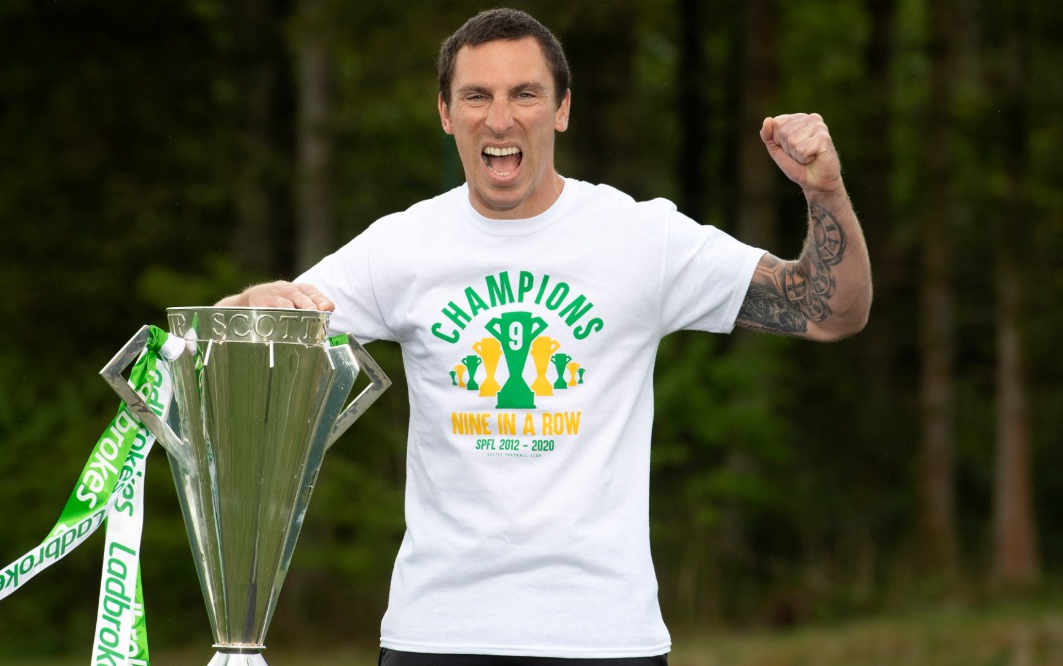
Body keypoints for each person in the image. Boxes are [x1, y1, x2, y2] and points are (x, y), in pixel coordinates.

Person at [218, 8, 871, 665]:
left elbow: (828, 310)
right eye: (477, 95)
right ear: (446, 114)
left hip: (605, 639)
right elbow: (240, 352)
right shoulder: (403, 245)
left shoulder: (640, 238)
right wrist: (249, 304)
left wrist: (825, 192)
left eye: (524, 93)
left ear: (561, 109)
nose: (499, 119)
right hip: (437, 637)